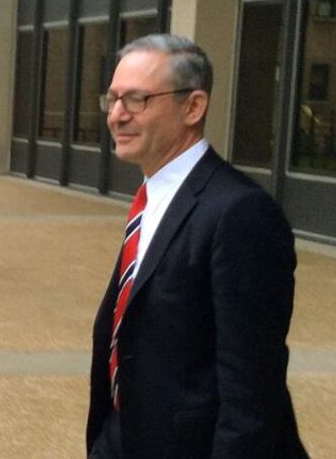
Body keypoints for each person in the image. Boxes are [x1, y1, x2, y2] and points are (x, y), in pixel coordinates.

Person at [86, 34, 309, 458]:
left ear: (193, 106)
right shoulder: (152, 199)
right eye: (112, 99)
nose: (117, 115)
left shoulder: (241, 214)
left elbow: (250, 393)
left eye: (137, 99)